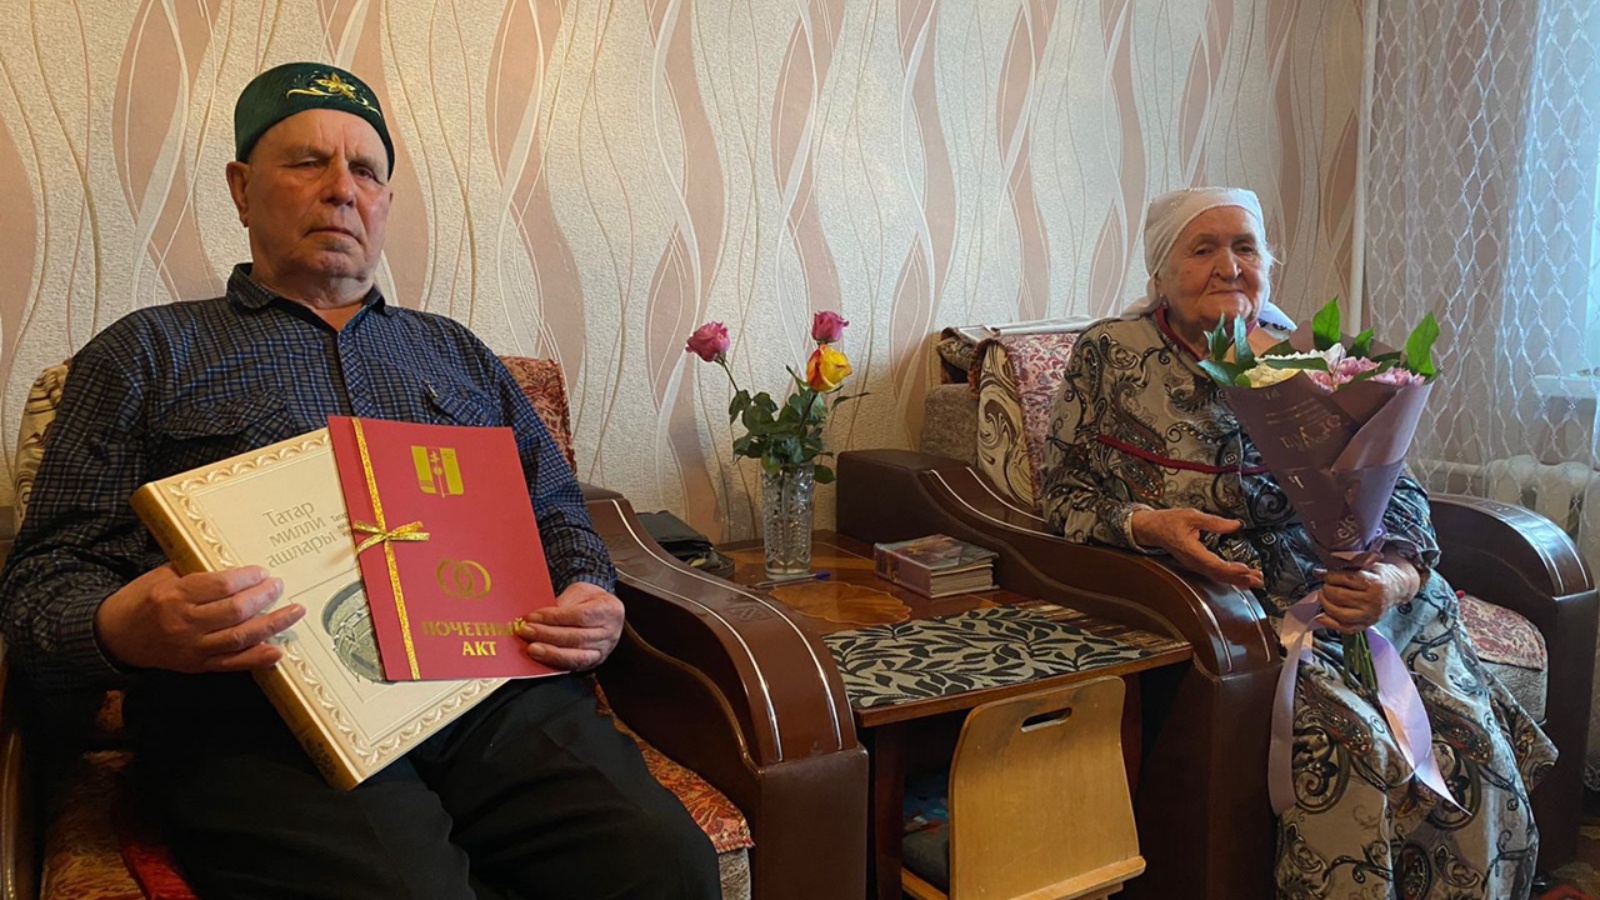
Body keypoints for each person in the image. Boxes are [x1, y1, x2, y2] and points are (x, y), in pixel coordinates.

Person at [0, 62, 719, 900]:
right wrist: (123, 625)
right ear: (241, 189)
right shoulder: (143, 354)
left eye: (366, 171)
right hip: (257, 715)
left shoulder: (455, 353)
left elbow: (556, 510)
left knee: (664, 865)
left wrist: (591, 591)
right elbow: (40, 585)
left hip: (490, 693)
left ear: (385, 202)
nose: (342, 189)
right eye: (307, 162)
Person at [1038, 186, 1554, 899]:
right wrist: (1147, 525)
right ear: (1159, 271)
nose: (1229, 266)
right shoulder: (1110, 353)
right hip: (1237, 604)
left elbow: (1399, 487)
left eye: (1245, 248)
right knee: (1356, 747)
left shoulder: (1304, 351)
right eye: (1203, 249)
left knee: (1469, 740)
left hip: (1359, 591)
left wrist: (1393, 578)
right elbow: (1060, 494)